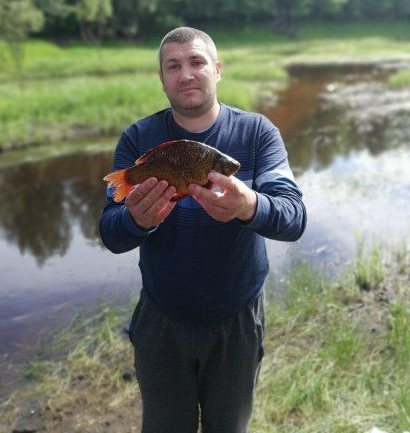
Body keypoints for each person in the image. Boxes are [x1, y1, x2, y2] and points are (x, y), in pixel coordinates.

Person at [99, 27, 307, 433]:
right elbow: (110, 232)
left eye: (196, 62)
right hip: (161, 318)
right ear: (162, 79)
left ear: (217, 68)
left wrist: (250, 206)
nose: (186, 74)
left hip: (237, 318)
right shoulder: (138, 138)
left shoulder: (258, 132)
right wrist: (137, 221)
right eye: (173, 66)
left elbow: (293, 216)